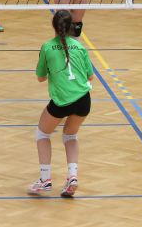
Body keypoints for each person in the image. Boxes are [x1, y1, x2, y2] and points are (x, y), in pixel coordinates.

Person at [28, 10, 94, 198]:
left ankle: (45, 179)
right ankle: (72, 177)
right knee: (70, 136)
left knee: (42, 134)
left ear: (54, 27)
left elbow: (40, 77)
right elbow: (90, 76)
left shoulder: (47, 47)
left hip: (62, 100)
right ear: (72, 26)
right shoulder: (80, 47)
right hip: (83, 99)